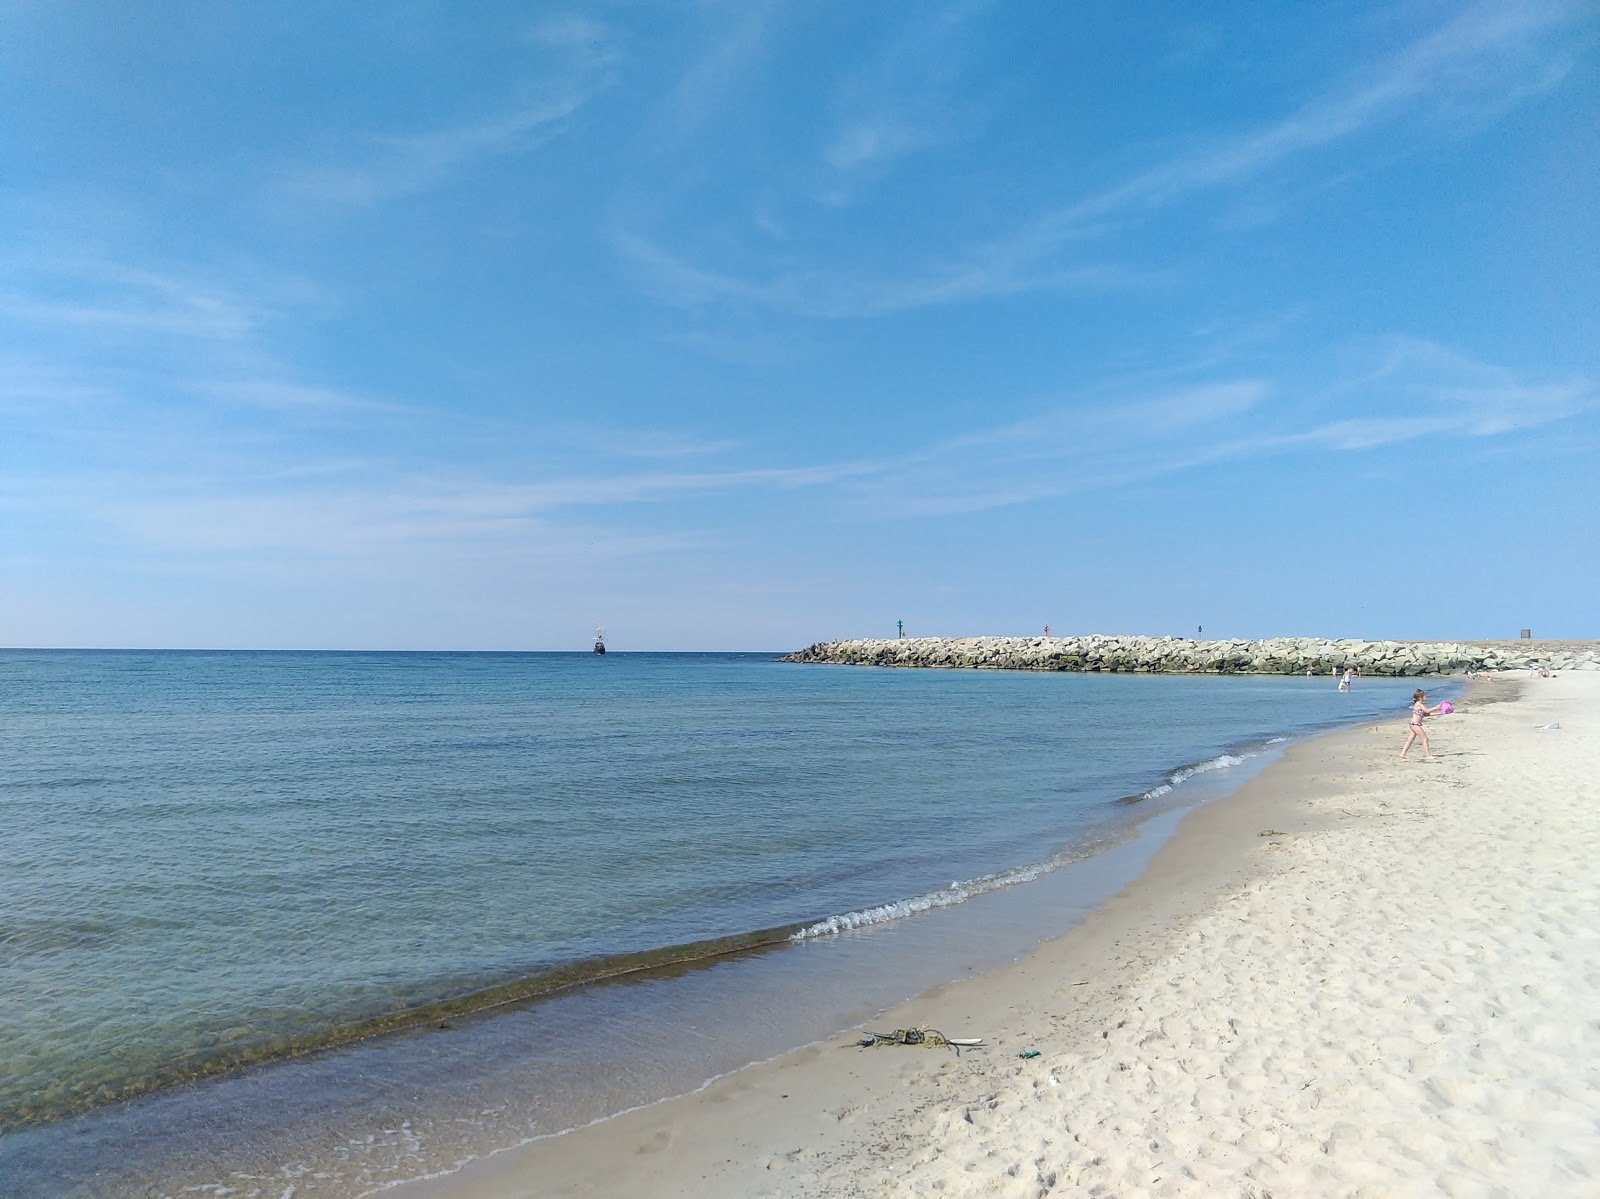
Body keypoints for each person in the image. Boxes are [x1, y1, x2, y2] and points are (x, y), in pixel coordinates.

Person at [1400, 688, 1443, 760]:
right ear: (1420, 697)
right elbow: (1427, 710)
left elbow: (1426, 714)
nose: (1426, 697)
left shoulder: (1418, 705)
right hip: (1415, 725)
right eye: (1425, 696)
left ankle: (1403, 753)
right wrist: (1436, 707)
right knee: (1425, 738)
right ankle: (1428, 755)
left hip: (1413, 724)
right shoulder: (1419, 704)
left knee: (1410, 739)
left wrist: (1440, 713)